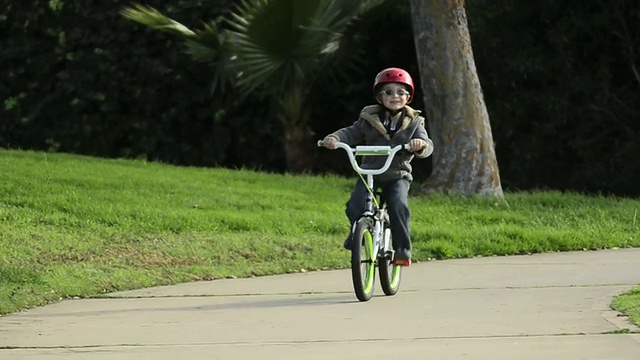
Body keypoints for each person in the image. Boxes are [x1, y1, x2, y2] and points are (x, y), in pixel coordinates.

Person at [321, 67, 433, 266]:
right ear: (380, 97)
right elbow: (351, 133)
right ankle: (357, 234)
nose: (395, 96)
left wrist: (420, 145)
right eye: (388, 92)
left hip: (398, 174)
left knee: (398, 205)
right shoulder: (368, 118)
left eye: (400, 92)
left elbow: (426, 144)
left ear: (408, 97)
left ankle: (402, 249)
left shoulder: (415, 122)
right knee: (354, 205)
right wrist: (335, 138)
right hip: (370, 173)